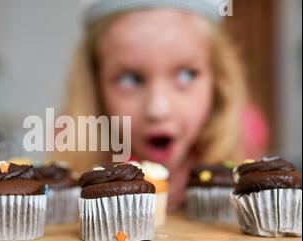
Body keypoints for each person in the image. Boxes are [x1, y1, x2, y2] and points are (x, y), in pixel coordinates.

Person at [53, 0, 269, 208]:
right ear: (94, 84)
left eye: (186, 75)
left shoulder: (245, 142)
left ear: (219, 79)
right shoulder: (68, 152)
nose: (158, 109)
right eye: (130, 79)